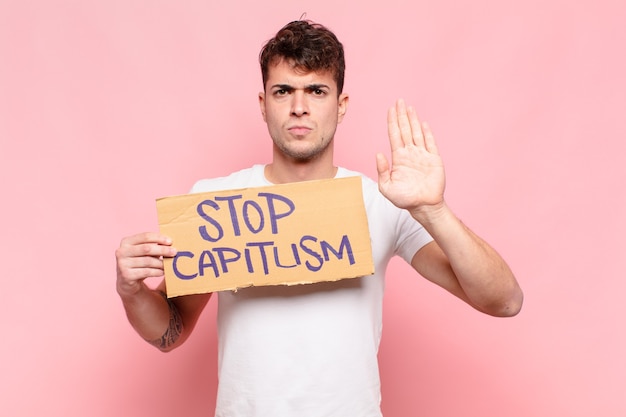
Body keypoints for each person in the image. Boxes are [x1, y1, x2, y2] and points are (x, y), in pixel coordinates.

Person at [115, 19, 523, 417]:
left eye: (316, 90)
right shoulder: (214, 202)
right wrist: (133, 291)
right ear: (263, 104)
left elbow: (504, 302)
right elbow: (170, 332)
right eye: (282, 91)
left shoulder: (381, 202)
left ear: (340, 105)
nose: (298, 107)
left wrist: (432, 210)